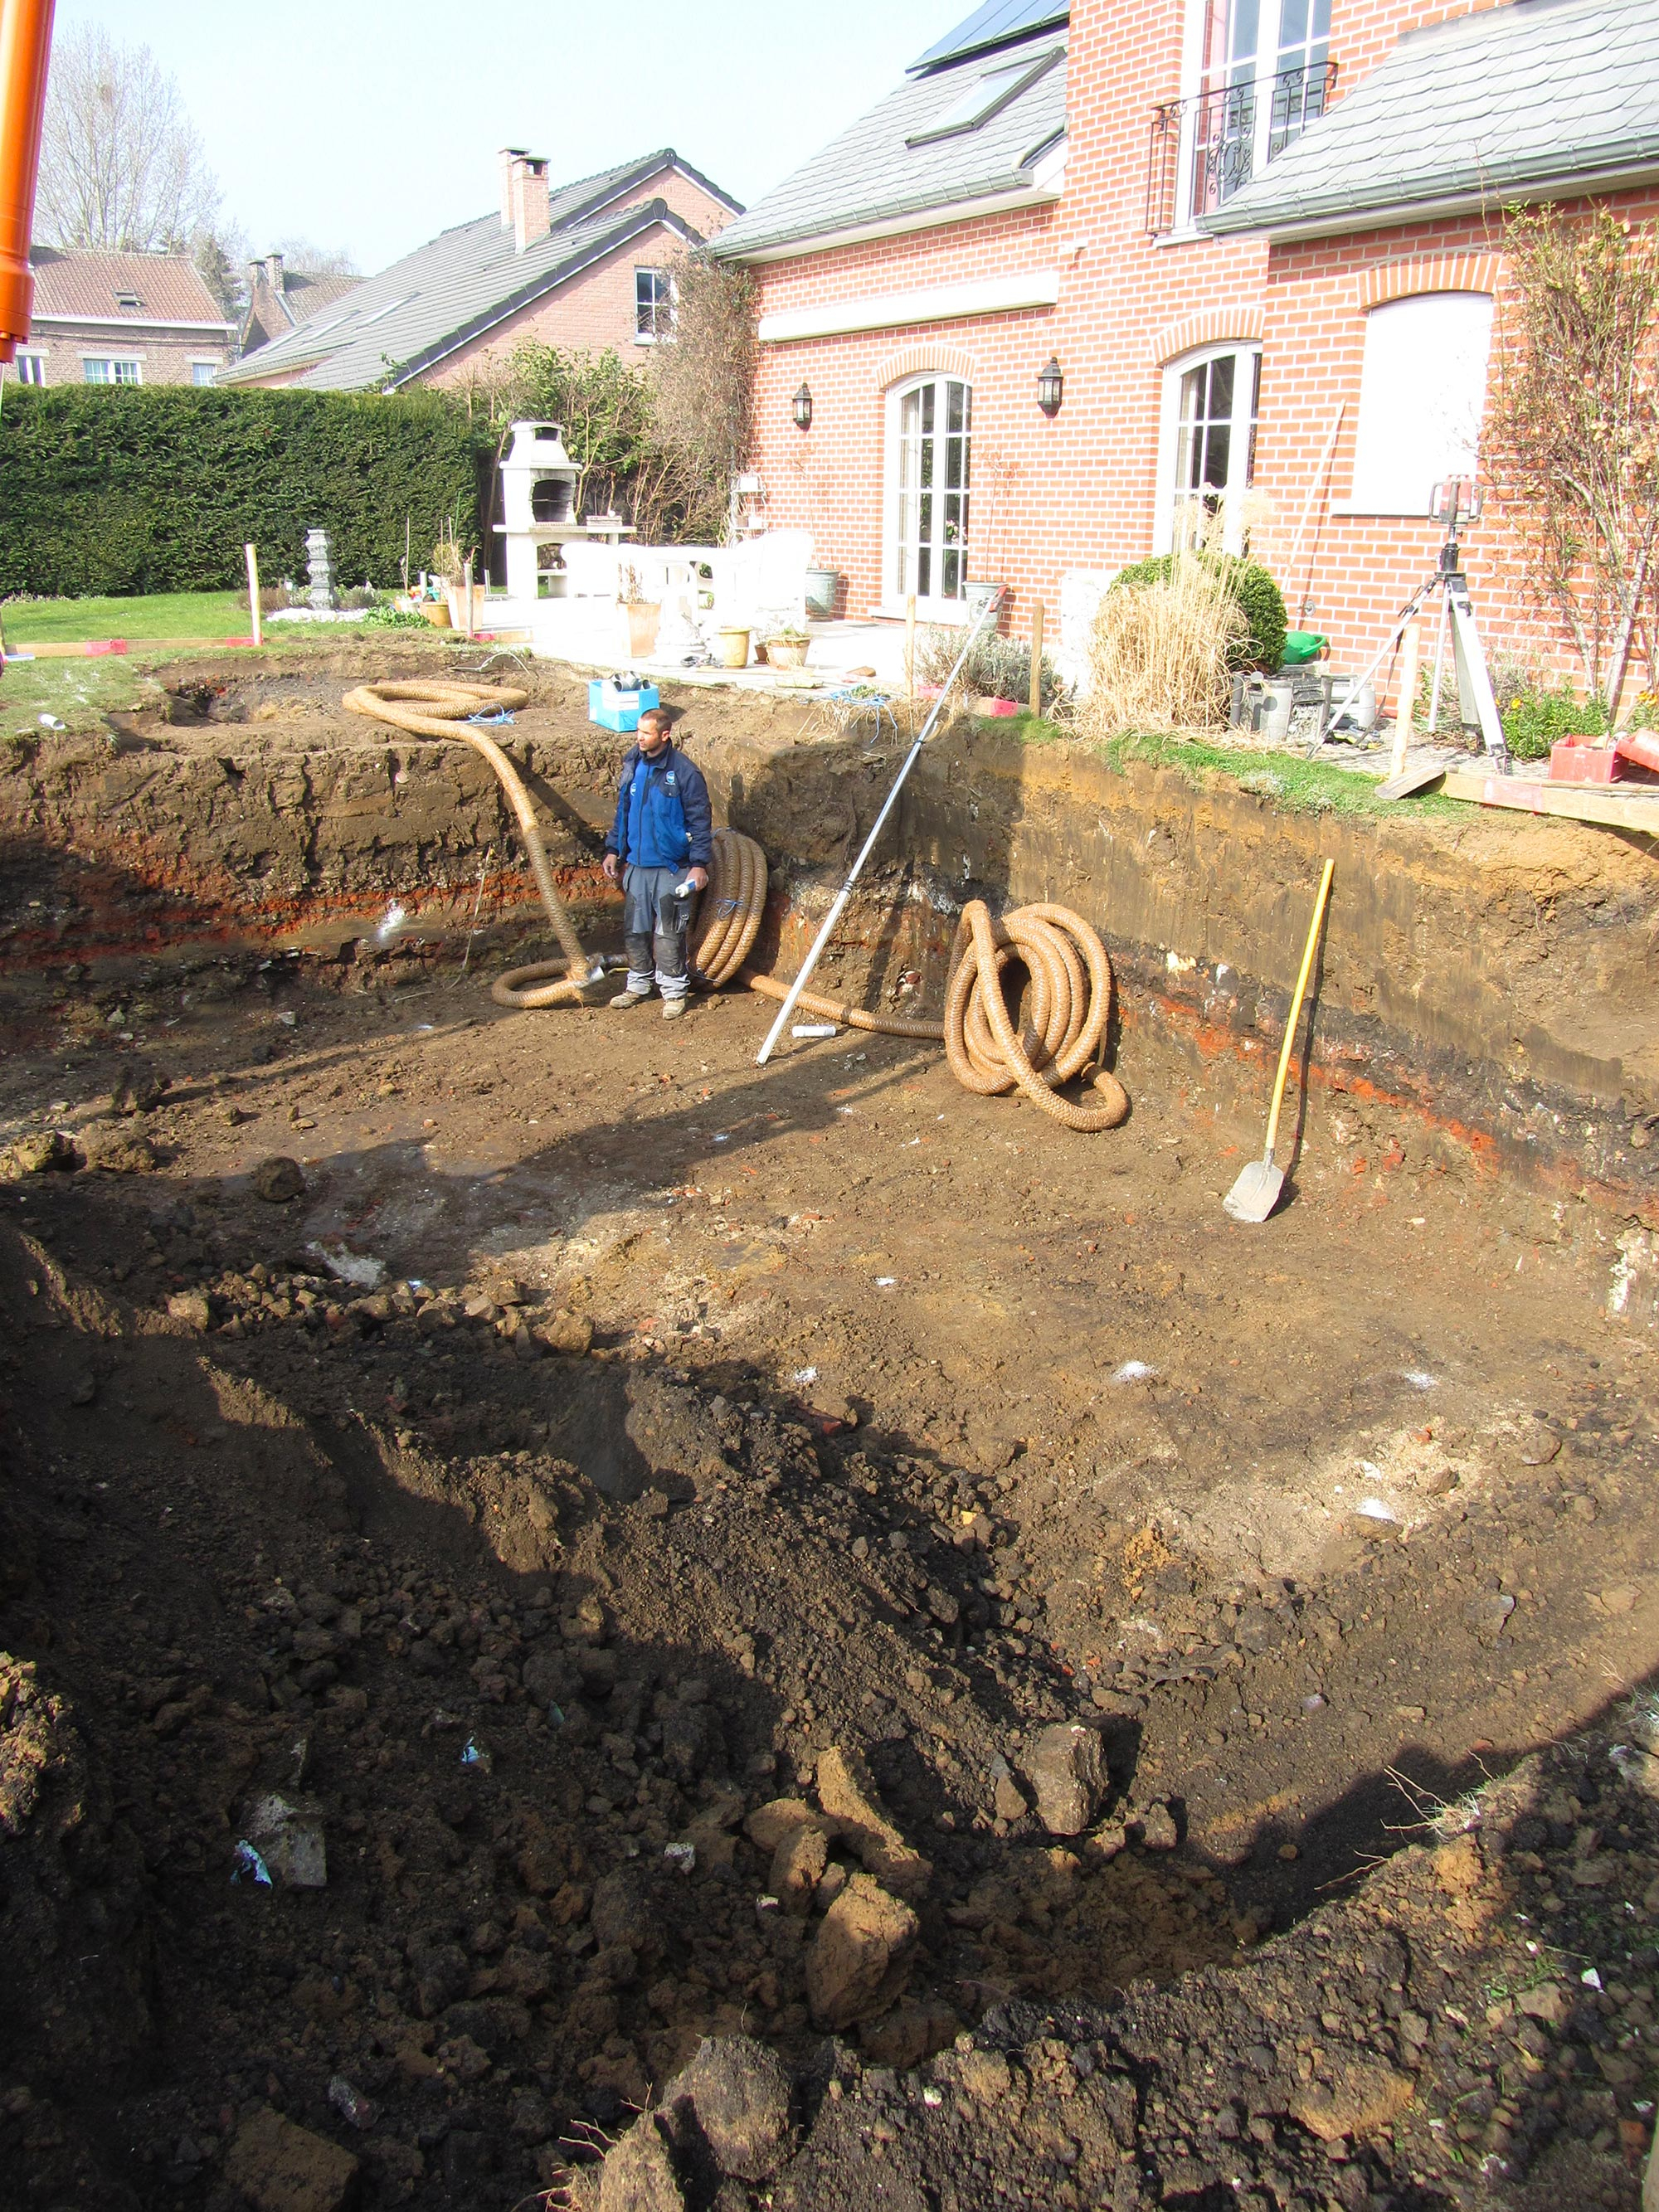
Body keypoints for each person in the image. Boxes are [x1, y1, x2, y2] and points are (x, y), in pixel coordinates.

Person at [601, 706, 713, 1021]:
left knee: (668, 931)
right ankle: (639, 984)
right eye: (638, 731)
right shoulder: (633, 763)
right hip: (637, 864)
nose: (639, 738)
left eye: (646, 733)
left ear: (664, 735)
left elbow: (700, 821)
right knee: (635, 931)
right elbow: (622, 810)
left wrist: (698, 864)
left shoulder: (686, 773)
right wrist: (614, 849)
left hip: (671, 867)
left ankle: (674, 990)